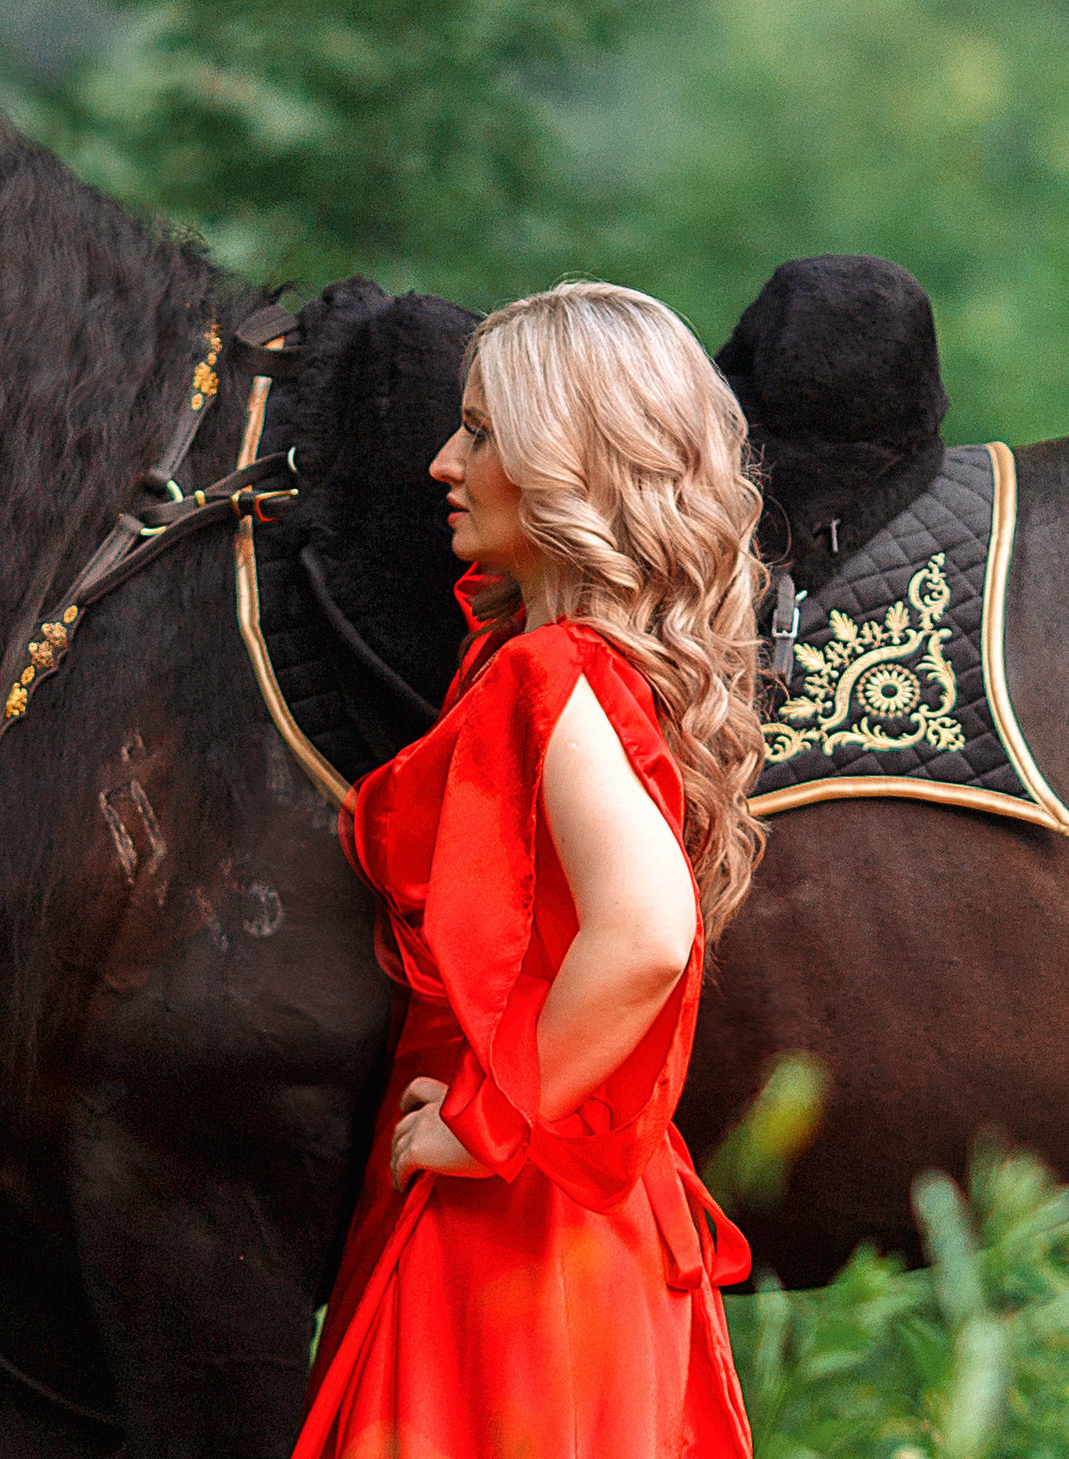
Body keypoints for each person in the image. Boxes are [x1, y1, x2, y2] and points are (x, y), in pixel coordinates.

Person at [290, 281, 765, 1459]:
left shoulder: (552, 673)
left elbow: (648, 930)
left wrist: (485, 1120)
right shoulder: (581, 667)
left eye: (483, 432)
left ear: (568, 464)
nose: (445, 462)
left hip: (520, 1218)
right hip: (583, 1208)